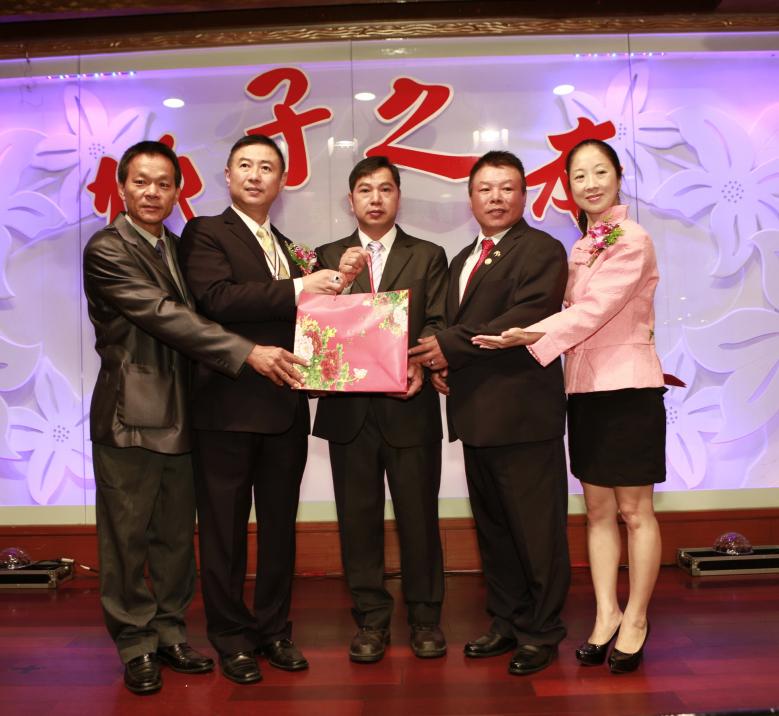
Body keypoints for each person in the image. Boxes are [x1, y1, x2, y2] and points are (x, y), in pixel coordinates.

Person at [83, 140, 283, 695]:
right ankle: (135, 643)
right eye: (141, 181)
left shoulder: (176, 245)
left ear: (177, 191)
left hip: (185, 414)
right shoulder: (107, 248)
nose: (152, 192)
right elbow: (163, 315)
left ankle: (171, 633)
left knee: (174, 538)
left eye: (164, 183)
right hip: (131, 414)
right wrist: (247, 352)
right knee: (127, 539)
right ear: (121, 187)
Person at [472, 139, 666, 674]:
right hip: (583, 390)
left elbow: (596, 310)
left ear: (619, 176)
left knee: (635, 512)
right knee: (597, 512)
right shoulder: (583, 245)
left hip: (627, 389)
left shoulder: (632, 239)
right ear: (569, 187)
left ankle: (636, 619)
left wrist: (530, 333)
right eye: (579, 176)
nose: (590, 184)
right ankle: (606, 614)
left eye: (599, 172)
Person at [178, 134, 344, 685]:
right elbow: (216, 299)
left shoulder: (292, 247)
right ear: (227, 176)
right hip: (225, 408)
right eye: (245, 165)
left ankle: (274, 630)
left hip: (284, 408)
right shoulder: (206, 232)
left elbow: (311, 324)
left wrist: (330, 357)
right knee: (223, 532)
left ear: (283, 181)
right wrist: (300, 287)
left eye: (267, 167)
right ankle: (231, 638)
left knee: (279, 530)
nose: (255, 175)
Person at [409, 150, 570, 676]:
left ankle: (542, 630)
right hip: (476, 416)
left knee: (536, 532)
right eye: (485, 189)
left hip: (524, 417)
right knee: (495, 530)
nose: (495, 198)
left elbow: (527, 315)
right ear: (471, 197)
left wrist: (448, 348)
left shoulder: (542, 249)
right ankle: (506, 620)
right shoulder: (462, 259)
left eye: (506, 188)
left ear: (523, 195)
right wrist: (441, 364)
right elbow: (451, 327)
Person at [313, 156, 448, 663]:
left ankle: (426, 618)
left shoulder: (428, 254)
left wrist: (419, 363)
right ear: (350, 200)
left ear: (398, 197)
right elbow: (315, 322)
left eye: (385, 189)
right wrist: (342, 280)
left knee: (420, 518)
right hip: (349, 415)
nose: (375, 198)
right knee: (357, 522)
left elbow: (438, 321)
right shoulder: (327, 256)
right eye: (365, 190)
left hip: (409, 407)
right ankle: (370, 619)